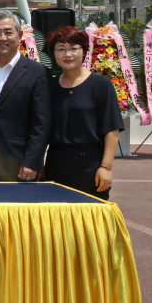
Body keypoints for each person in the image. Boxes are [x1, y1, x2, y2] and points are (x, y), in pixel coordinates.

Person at [0, 11, 51, 182]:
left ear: (20, 36)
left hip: (18, 162)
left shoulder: (37, 73)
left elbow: (41, 123)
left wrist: (32, 161)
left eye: (8, 32)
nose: (2, 38)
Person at [45, 26, 122, 199]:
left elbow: (112, 129)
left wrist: (106, 167)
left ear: (84, 51)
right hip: (55, 163)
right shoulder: (49, 86)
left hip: (90, 165)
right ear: (54, 53)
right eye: (61, 49)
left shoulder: (101, 84)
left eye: (73, 48)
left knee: (90, 213)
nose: (67, 54)